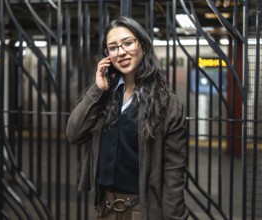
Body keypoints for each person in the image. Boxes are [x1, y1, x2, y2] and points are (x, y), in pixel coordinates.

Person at [66, 16, 189, 220]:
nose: (121, 52)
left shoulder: (168, 105)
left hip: (142, 211)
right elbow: (73, 133)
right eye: (112, 47)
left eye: (128, 43)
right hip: (104, 209)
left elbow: (173, 176)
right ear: (107, 55)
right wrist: (97, 90)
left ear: (142, 45)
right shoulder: (105, 95)